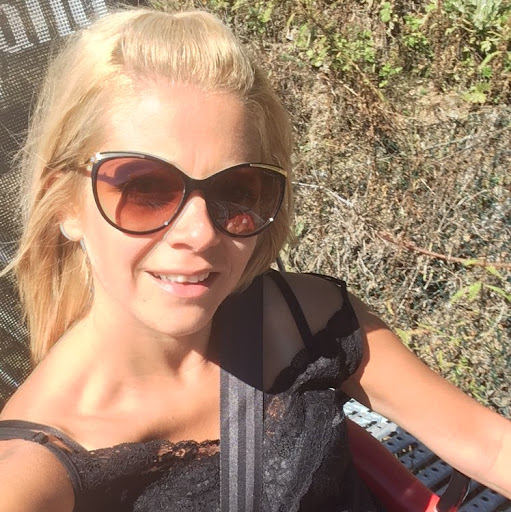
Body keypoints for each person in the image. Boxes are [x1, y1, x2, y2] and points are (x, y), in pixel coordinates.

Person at [0, 6, 509, 512]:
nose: (199, 233)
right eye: (146, 190)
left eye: (237, 191)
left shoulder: (303, 321)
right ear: (65, 205)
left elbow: (487, 445)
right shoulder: (35, 465)